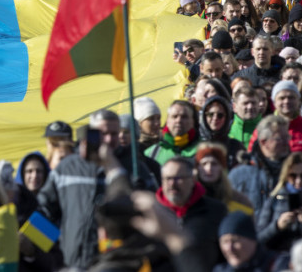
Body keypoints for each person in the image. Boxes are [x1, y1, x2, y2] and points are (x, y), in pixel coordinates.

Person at [36, 122, 130, 268]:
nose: (104, 140)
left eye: (111, 134)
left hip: (109, 263)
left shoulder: (124, 167)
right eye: (99, 135)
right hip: (71, 262)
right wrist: (54, 250)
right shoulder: (66, 168)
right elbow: (42, 210)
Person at [155, 156, 228, 269]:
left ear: (192, 180)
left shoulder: (215, 210)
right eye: (168, 178)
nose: (172, 184)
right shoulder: (153, 212)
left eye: (178, 178)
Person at [255, 152, 302, 251]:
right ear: (286, 176)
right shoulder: (275, 199)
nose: (298, 181)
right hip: (279, 259)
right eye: (293, 176)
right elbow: (258, 240)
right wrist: (277, 226)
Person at [231, 115, 292, 211]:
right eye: (279, 139)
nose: (286, 142)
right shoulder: (241, 174)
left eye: (287, 137)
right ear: (263, 142)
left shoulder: (296, 171)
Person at [214, 211, 290, 272]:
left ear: (251, 239)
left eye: (235, 241)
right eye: (224, 242)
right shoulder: (220, 269)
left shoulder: (279, 265)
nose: (229, 248)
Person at [146, 100, 200, 165]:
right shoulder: (151, 154)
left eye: (184, 117)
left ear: (193, 122)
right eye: (174, 116)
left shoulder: (205, 150)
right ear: (167, 121)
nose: (178, 120)